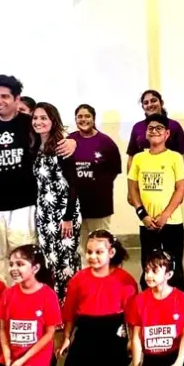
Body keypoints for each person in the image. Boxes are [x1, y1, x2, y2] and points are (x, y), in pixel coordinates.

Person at [0, 75, 76, 284]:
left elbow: (55, 135)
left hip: (25, 205)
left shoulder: (30, 123)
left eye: (5, 96)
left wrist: (73, 142)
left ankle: (24, 297)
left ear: (17, 99)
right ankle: (5, 299)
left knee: (23, 256)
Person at [59, 230, 137, 366]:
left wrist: (131, 341)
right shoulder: (78, 280)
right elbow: (70, 313)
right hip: (86, 333)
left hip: (112, 335)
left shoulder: (125, 280)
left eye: (99, 252)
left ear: (111, 253)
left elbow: (131, 317)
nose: (93, 256)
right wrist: (66, 338)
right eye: (89, 252)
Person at [124, 250, 184, 366]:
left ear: (168, 275)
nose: (149, 276)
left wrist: (178, 364)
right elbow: (136, 338)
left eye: (154, 271)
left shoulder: (180, 298)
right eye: (147, 271)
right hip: (152, 356)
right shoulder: (139, 301)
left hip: (172, 354)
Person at [128, 113, 184, 291]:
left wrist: (165, 215)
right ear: (146, 133)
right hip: (147, 223)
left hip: (171, 222)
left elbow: (181, 189)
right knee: (148, 263)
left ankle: (176, 300)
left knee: (174, 265)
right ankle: (149, 300)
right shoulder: (139, 158)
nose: (154, 131)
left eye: (159, 128)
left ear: (167, 134)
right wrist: (143, 215)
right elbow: (133, 189)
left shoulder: (175, 157)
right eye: (151, 128)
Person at [32, 102, 81, 303]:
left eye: (43, 118)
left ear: (53, 120)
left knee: (66, 261)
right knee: (49, 260)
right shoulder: (35, 146)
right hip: (44, 212)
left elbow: (73, 185)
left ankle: (69, 306)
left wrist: (68, 218)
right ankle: (53, 306)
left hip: (63, 212)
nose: (38, 122)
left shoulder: (62, 146)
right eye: (35, 118)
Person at [69, 104, 122, 254]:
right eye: (79, 116)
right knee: (81, 249)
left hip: (100, 205)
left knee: (100, 246)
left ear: (93, 119)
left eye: (87, 116)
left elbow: (114, 171)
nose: (83, 119)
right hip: (76, 206)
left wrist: (97, 184)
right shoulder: (70, 140)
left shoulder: (106, 142)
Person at [127, 90, 184, 171]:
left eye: (153, 101)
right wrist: (131, 178)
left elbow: (182, 154)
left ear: (161, 103)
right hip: (144, 176)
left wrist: (181, 176)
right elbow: (131, 156)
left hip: (169, 175)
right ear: (143, 107)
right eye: (146, 103)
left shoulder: (174, 126)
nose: (150, 105)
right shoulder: (137, 127)